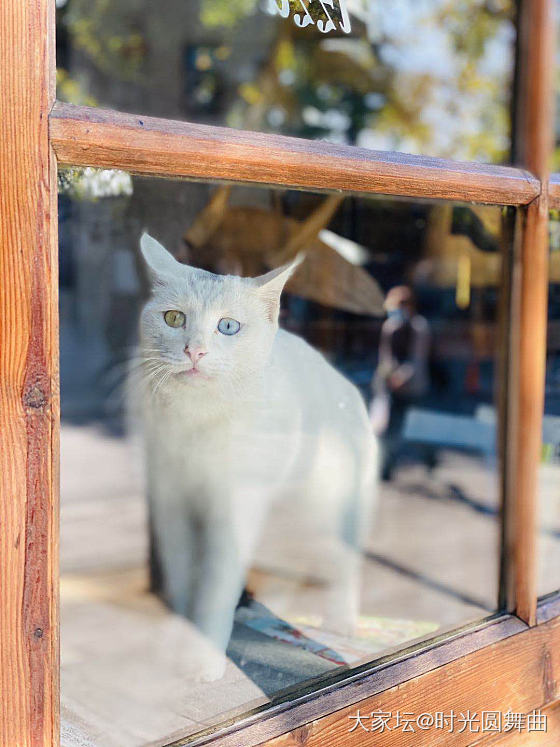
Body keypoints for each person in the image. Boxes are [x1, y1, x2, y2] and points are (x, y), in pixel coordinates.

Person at [372, 286, 430, 480]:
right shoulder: (390, 326)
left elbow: (418, 359)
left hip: (414, 387)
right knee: (391, 428)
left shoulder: (420, 327)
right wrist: (387, 378)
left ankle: (429, 459)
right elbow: (385, 358)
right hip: (393, 388)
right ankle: (386, 468)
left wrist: (402, 377)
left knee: (417, 425)